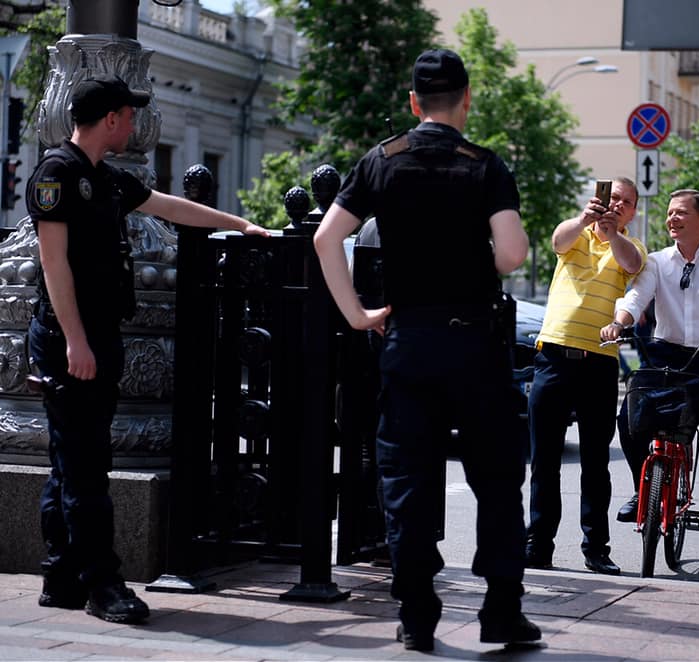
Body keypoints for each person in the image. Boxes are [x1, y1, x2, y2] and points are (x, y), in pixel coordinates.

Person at [313, 49, 540, 652]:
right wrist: (474, 262)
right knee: (495, 479)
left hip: (407, 340)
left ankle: (417, 613)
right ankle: (501, 611)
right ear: (467, 99)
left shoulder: (381, 162)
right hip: (474, 343)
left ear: (414, 103)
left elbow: (325, 237)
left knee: (408, 480)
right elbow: (514, 255)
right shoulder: (485, 166)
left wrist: (357, 314)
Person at [27, 75, 271, 624]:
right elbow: (53, 264)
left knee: (70, 463)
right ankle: (103, 585)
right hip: (72, 336)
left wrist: (241, 225)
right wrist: (75, 341)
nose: (134, 124)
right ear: (110, 118)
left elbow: (172, 208)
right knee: (87, 467)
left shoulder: (107, 179)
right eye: (129, 115)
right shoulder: (56, 174)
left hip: (97, 335)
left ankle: (60, 574)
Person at [602, 188, 699, 586]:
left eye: (681, 213)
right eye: (670, 213)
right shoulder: (656, 261)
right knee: (629, 419)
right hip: (663, 355)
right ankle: (645, 490)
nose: (672, 219)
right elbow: (636, 297)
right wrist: (619, 322)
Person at [525, 177, 645, 577]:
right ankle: (538, 544)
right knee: (545, 459)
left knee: (596, 461)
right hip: (554, 355)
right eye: (614, 199)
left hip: (598, 361)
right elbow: (558, 242)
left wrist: (612, 236)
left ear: (632, 212)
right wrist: (584, 219)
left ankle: (596, 548)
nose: (618, 206)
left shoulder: (631, 246)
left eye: (626, 204)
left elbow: (631, 265)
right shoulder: (576, 232)